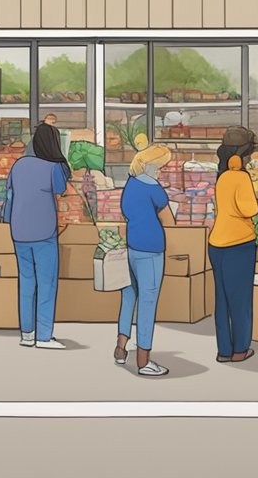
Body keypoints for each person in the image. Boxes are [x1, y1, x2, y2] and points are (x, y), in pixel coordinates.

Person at [5, 122, 70, 350]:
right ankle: (44, 336)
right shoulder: (53, 168)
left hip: (19, 231)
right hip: (44, 232)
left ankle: (26, 334)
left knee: (26, 283)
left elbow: (10, 194)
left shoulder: (19, 165)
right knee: (47, 283)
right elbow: (61, 190)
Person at [115, 134, 175, 377]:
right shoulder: (154, 188)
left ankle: (121, 349)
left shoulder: (130, 184)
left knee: (129, 297)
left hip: (130, 245)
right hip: (151, 249)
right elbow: (168, 220)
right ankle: (144, 360)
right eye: (161, 167)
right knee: (148, 303)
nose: (162, 172)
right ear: (152, 166)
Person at [211, 126, 258, 364]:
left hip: (216, 243)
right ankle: (240, 349)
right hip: (239, 243)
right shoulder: (241, 177)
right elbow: (249, 209)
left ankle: (224, 350)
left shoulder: (221, 177)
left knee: (222, 300)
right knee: (240, 299)